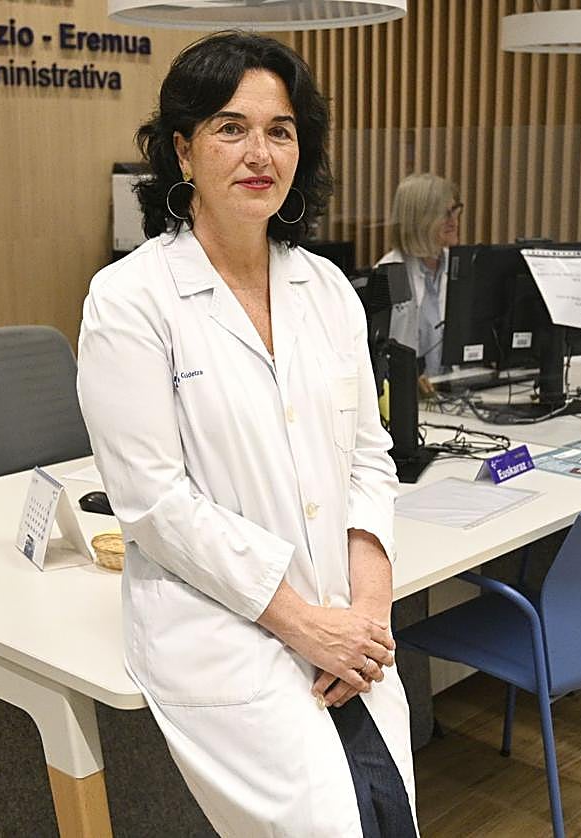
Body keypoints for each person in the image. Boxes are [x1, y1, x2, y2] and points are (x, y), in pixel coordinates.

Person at [75, 32, 418, 838]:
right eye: (230, 128)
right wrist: (303, 623)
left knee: (388, 813)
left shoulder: (327, 287)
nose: (259, 151)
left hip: (344, 615)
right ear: (182, 152)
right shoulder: (130, 299)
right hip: (220, 626)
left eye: (281, 129)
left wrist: (367, 607)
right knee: (327, 824)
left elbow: (370, 453)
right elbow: (155, 504)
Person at [377, 173, 463, 379]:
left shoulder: (460, 267)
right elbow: (379, 356)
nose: (453, 221)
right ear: (419, 220)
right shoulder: (388, 273)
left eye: (455, 211)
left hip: (455, 390)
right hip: (406, 398)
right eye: (444, 214)